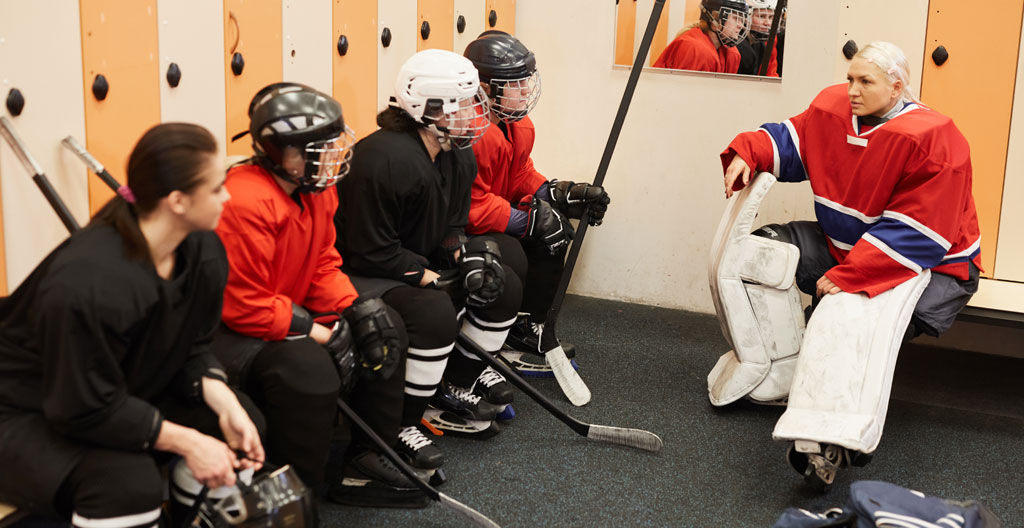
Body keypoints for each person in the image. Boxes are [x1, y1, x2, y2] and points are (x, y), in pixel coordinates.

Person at [720, 42, 980, 486]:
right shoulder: (834, 108)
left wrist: (851, 276)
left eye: (866, 82)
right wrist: (750, 150)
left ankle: (834, 440)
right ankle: (783, 374)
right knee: (763, 252)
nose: (853, 90)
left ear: (897, 87)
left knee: (848, 319)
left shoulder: (936, 139)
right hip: (848, 247)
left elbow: (918, 235)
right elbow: (793, 139)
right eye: (850, 79)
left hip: (925, 268)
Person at [0, 123, 265, 528]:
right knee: (125, 483)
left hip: (108, 390)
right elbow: (80, 408)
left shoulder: (202, 250)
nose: (227, 196)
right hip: (27, 412)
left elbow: (191, 348)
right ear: (178, 200)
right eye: (216, 188)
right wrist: (190, 443)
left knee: (239, 425)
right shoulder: (88, 282)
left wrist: (224, 400)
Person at [213, 82, 427, 508]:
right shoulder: (244, 200)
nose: (328, 156)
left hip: (283, 312)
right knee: (308, 371)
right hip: (230, 330)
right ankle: (297, 493)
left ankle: (364, 462)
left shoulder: (318, 188)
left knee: (383, 328)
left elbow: (323, 263)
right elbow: (243, 305)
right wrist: (319, 334)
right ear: (278, 152)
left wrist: (355, 305)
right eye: (314, 149)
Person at [335, 49, 521, 444]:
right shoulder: (382, 159)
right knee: (434, 309)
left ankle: (449, 386)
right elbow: (369, 250)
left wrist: (461, 254)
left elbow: (450, 227)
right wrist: (429, 277)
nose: (476, 114)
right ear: (433, 109)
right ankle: (400, 424)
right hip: (362, 270)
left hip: (404, 261)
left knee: (497, 279)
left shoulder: (457, 155)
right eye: (467, 104)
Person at [462, 31, 611, 375]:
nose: (525, 91)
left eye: (525, 81)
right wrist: (525, 222)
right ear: (485, 89)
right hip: (463, 227)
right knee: (523, 246)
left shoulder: (519, 125)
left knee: (557, 224)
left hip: (489, 213)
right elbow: (469, 206)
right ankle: (500, 330)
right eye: (514, 84)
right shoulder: (472, 134)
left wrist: (557, 193)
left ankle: (527, 326)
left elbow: (518, 175)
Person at [653, 0, 750, 73]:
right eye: (736, 18)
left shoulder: (729, 53)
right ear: (715, 19)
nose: (741, 26)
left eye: (742, 20)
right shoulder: (694, 48)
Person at [736, 0, 780, 76]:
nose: (768, 23)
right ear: (746, 17)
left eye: (771, 17)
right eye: (761, 16)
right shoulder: (738, 46)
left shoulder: (760, 45)